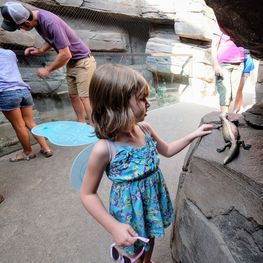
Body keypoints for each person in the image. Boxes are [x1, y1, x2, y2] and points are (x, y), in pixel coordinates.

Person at [80, 64, 213, 263]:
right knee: (134, 250)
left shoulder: (145, 129)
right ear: (118, 105)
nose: (148, 103)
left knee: (150, 237)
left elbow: (166, 150)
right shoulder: (104, 149)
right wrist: (113, 227)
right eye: (141, 98)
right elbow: (87, 194)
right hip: (129, 212)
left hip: (152, 201)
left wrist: (193, 135)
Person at [0, 1, 96, 124]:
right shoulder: (38, 20)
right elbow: (52, 39)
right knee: (73, 96)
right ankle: (82, 123)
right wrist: (40, 50)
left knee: (84, 97)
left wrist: (47, 70)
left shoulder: (50, 22)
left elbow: (66, 54)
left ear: (27, 23)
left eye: (20, 27)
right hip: (72, 63)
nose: (21, 30)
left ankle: (95, 129)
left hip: (84, 62)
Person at [0, 47, 53, 161]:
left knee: (19, 125)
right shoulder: (10, 53)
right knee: (30, 121)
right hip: (23, 90)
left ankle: (27, 153)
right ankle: (46, 148)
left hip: (7, 93)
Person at [211, 28, 244, 113]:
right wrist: (215, 65)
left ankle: (227, 116)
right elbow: (214, 46)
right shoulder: (220, 26)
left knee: (233, 94)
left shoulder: (241, 26)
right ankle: (224, 118)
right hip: (224, 64)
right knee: (225, 93)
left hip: (239, 64)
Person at [230, 49, 255, 113]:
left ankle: (235, 108)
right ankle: (239, 107)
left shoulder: (247, 55)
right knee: (239, 90)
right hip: (244, 62)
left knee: (238, 90)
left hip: (244, 64)